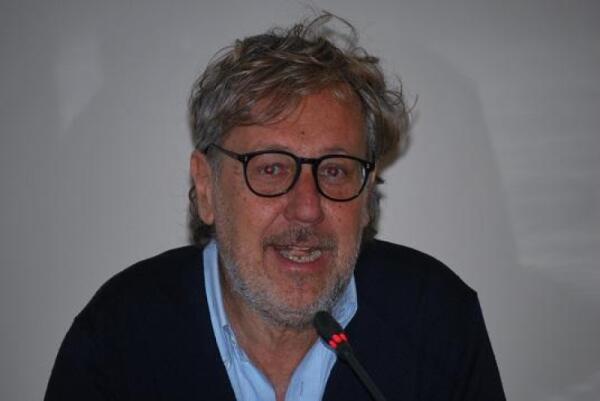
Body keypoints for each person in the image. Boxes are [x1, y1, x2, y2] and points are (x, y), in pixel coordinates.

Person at [45, 13, 506, 401]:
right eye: (270, 169)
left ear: (367, 196)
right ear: (206, 188)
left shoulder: (436, 317)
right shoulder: (118, 335)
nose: (307, 209)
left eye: (335, 171)